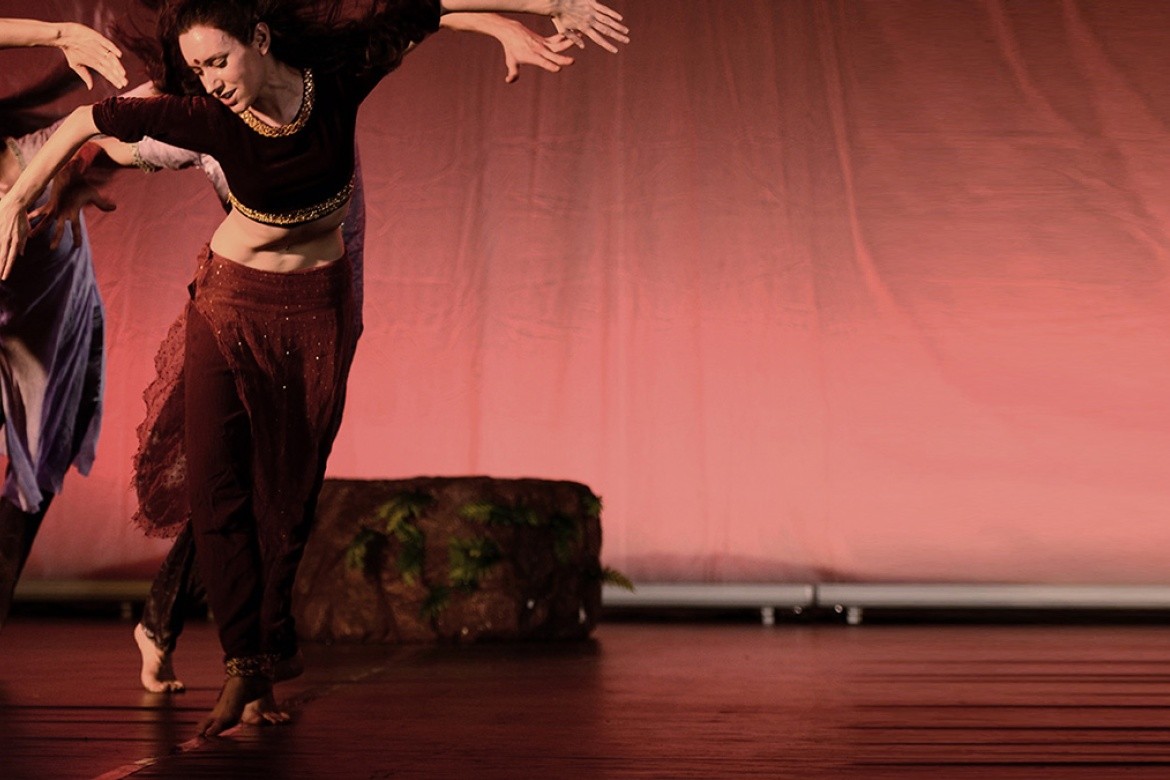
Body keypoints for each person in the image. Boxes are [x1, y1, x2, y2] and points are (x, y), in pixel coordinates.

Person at [0, 0, 627, 737]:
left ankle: (261, 661)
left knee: (288, 494)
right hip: (228, 300)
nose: (211, 81)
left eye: (219, 62)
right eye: (197, 68)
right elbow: (87, 125)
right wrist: (14, 198)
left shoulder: (335, 75)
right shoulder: (200, 116)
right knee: (217, 482)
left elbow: (429, 8)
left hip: (317, 308)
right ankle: (241, 666)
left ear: (260, 39)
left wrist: (536, 12)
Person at [0, 16, 126, 630]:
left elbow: (134, 124)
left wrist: (88, 175)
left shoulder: (39, 152)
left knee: (45, 444)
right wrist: (50, 34)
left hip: (49, 299)